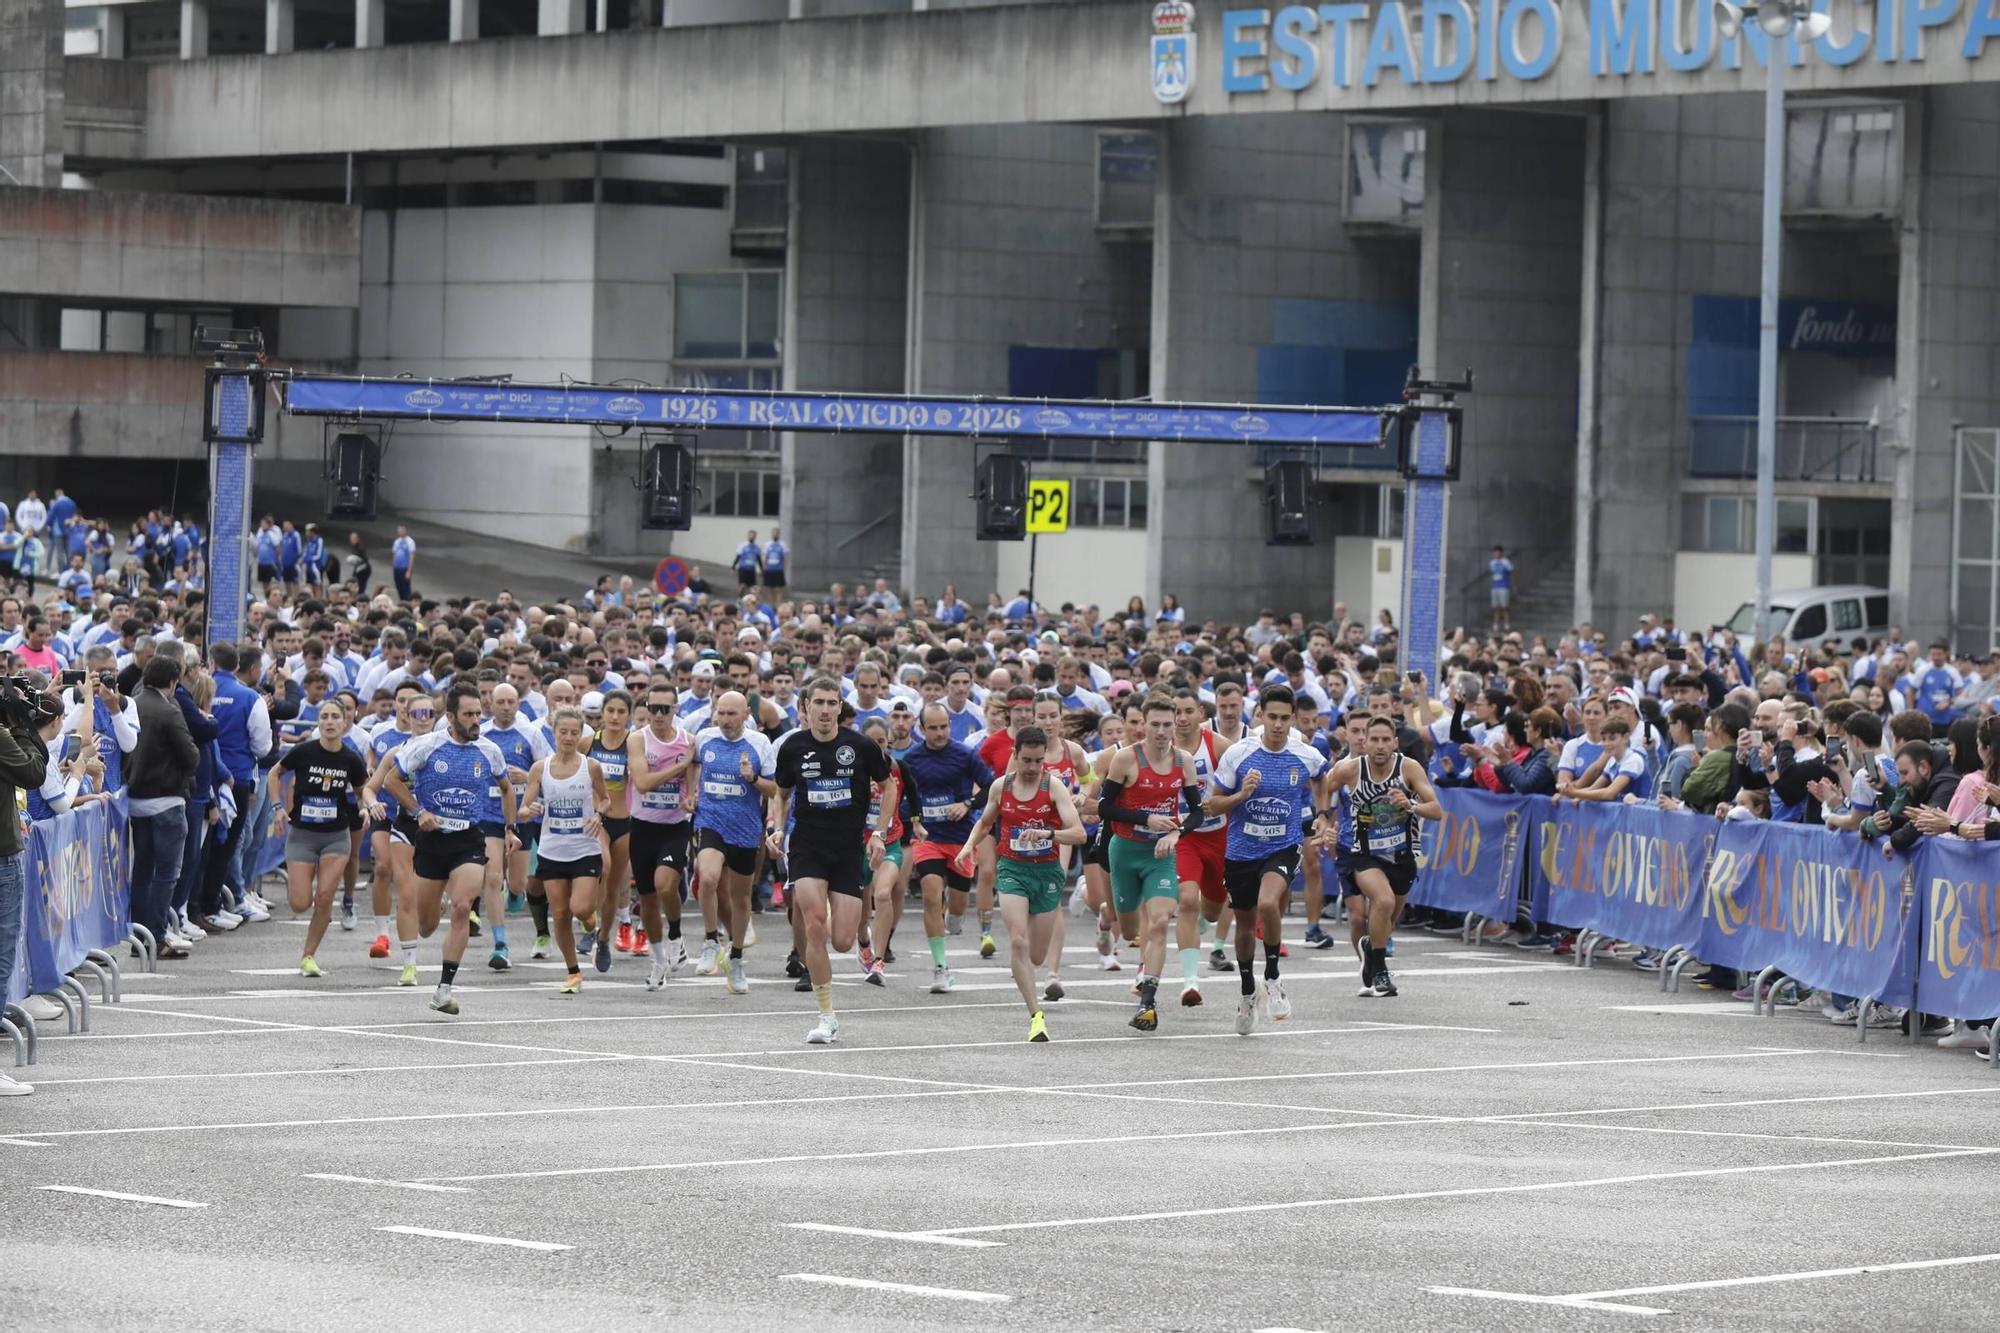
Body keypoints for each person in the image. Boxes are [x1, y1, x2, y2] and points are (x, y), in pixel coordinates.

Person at [768, 676, 894, 1044]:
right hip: (807, 845)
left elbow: (890, 786)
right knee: (815, 924)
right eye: (817, 702)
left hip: (847, 849)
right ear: (805, 706)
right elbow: (781, 793)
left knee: (841, 940)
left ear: (840, 707)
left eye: (831, 703)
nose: (824, 710)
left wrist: (879, 833)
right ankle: (827, 1016)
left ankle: (861, 936)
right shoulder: (793, 747)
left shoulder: (860, 746)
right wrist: (778, 828)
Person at [381, 682, 514, 1016]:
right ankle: (436, 903)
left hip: (468, 838)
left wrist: (510, 829)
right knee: (426, 926)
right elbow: (391, 782)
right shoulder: (427, 746)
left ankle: (444, 989)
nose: (476, 721)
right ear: (451, 717)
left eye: (478, 715)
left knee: (462, 906)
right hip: (432, 840)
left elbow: (507, 788)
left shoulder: (489, 750)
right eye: (468, 715)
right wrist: (418, 812)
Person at [1207, 685, 1330, 1033]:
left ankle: (1273, 978)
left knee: (1268, 905)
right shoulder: (1239, 754)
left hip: (1284, 845)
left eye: (1284, 718)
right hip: (1241, 850)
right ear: (1259, 715)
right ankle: (1248, 992)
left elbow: (1323, 778)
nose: (1278, 724)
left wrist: (1322, 814)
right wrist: (1242, 793)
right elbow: (1214, 804)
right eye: (1271, 717)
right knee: (1244, 926)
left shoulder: (1304, 753)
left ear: (1293, 719)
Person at [953, 724, 1088, 1042]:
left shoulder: (1053, 787)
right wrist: (967, 847)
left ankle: (1031, 976)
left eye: (1038, 761)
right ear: (1015, 756)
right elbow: (985, 823)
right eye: (1027, 760)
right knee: (1017, 941)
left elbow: (1079, 833)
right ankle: (1035, 1016)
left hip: (1047, 873)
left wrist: (1047, 833)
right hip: (1013, 870)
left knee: (1037, 955)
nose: (1032, 768)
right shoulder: (1001, 787)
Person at [1096, 694, 1202, 1031]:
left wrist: (1175, 834)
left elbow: (1198, 810)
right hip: (1125, 850)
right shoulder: (1126, 759)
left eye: (1166, 725)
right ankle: (1105, 918)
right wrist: (1145, 818)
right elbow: (1104, 808)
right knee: (1131, 932)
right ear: (1143, 725)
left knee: (1157, 923)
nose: (1160, 731)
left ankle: (1148, 1004)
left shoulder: (1183, 761)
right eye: (1154, 724)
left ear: (1175, 725)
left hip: (1161, 854)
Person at [1326, 714, 1445, 999]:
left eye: (1385, 740)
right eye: (1374, 740)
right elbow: (1320, 788)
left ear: (1394, 742)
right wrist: (1322, 819)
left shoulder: (1409, 768)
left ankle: (1372, 948)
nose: (1379, 746)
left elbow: (1436, 810)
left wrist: (1411, 804)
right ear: (1365, 742)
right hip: (1364, 854)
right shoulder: (1350, 769)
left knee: (1388, 917)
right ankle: (1380, 973)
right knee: (1383, 900)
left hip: (1402, 854)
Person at [687, 690, 776, 993]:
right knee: (708, 877)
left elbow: (774, 789)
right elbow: (692, 764)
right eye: (721, 713)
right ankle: (711, 940)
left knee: (740, 898)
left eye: (732, 714)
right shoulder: (705, 738)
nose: (725, 720)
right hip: (710, 820)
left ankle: (736, 957)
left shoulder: (759, 744)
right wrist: (691, 792)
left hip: (745, 828)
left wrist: (752, 779)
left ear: (746, 715)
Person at [903, 703, 995, 994]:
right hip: (928, 838)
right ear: (921, 729)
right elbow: (903, 798)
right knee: (931, 894)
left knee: (956, 907)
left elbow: (992, 787)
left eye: (944, 726)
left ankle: (953, 917)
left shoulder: (965, 754)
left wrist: (967, 804)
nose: (940, 732)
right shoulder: (912, 759)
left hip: (960, 838)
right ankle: (940, 968)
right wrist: (914, 819)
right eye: (933, 728)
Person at [277, 699, 369, 977]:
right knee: (299, 903)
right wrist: (276, 808)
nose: (329, 722)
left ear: (344, 723)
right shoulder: (304, 751)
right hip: (303, 835)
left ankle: (308, 955)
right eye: (324, 717)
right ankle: (303, 880)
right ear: (319, 722)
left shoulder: (351, 758)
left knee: (326, 896)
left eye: (335, 717)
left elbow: (363, 788)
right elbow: (275, 773)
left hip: (336, 836)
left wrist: (365, 807)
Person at [521, 706, 609, 995]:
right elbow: (524, 809)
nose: (569, 738)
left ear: (580, 733)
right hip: (552, 849)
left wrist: (598, 815)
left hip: (584, 848)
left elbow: (605, 799)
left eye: (574, 732)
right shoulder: (540, 768)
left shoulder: (590, 766)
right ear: (554, 733)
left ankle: (590, 921)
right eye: (563, 732)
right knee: (559, 914)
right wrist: (529, 808)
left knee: (580, 907)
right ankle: (573, 972)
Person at [126, 656, 198, 963]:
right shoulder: (169, 710)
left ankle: (139, 936)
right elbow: (191, 756)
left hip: (135, 797)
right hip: (166, 797)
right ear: (173, 682)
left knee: (142, 869)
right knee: (166, 873)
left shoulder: (131, 703)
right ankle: (155, 934)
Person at [626, 680, 696, 990]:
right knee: (647, 900)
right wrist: (676, 768)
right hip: (642, 826)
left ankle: (677, 934)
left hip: (674, 827)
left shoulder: (688, 740)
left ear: (675, 710)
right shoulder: (637, 739)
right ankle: (658, 962)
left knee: (665, 883)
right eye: (652, 708)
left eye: (664, 709)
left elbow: (691, 786)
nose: (657, 715)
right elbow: (641, 783)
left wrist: (690, 795)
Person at [1489, 545, 1514, 633]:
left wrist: (1513, 584)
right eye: (1494, 552)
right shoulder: (1492, 563)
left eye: (1497, 552)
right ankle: (1495, 626)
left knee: (1505, 607)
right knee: (1495, 607)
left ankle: (1507, 626)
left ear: (1501, 552)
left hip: (1504, 587)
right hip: (1495, 587)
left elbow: (1512, 572)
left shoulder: (1505, 562)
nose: (1496, 554)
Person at [391, 524, 416, 601]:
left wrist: (409, 571)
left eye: (402, 530)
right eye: (399, 530)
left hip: (404, 568)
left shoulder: (410, 542)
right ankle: (401, 601)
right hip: (397, 568)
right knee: (399, 587)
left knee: (406, 588)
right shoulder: (397, 541)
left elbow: (411, 557)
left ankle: (408, 602)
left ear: (405, 530)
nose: (400, 531)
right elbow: (394, 554)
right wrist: (394, 564)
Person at [734, 530, 763, 595]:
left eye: (753, 536)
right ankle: (740, 598)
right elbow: (738, 556)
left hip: (752, 570)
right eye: (750, 535)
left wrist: (761, 569)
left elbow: (759, 559)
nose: (752, 537)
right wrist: (733, 567)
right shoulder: (742, 545)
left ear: (755, 537)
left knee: (752, 587)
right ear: (747, 536)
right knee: (742, 585)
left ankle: (750, 599)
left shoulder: (757, 547)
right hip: (743, 569)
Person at [762, 526, 788, 592]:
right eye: (773, 533)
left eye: (777, 533)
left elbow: (785, 558)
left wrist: (784, 569)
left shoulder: (783, 544)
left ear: (779, 534)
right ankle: (771, 602)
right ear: (771, 534)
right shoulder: (767, 544)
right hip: (769, 570)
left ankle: (778, 602)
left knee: (779, 589)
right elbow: (765, 558)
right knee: (770, 589)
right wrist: (764, 568)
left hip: (779, 570)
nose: (775, 534)